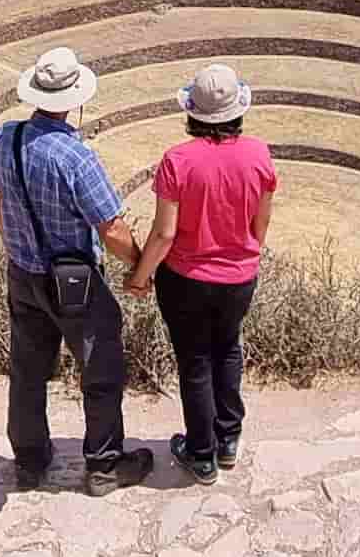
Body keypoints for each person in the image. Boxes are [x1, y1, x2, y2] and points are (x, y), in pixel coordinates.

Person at [0, 46, 155, 497]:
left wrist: (20, 252)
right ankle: (103, 465)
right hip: (74, 282)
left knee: (27, 369)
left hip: (23, 274)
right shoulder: (74, 157)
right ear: (75, 100)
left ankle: (29, 461)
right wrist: (141, 266)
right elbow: (113, 228)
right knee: (100, 368)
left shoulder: (5, 138)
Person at [127, 63, 278, 485]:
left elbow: (164, 233)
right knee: (227, 349)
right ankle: (228, 439)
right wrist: (243, 257)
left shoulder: (177, 161)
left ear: (193, 113)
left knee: (194, 362)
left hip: (186, 279)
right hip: (238, 277)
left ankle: (202, 454)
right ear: (237, 111)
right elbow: (260, 224)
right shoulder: (258, 154)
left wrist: (140, 277)